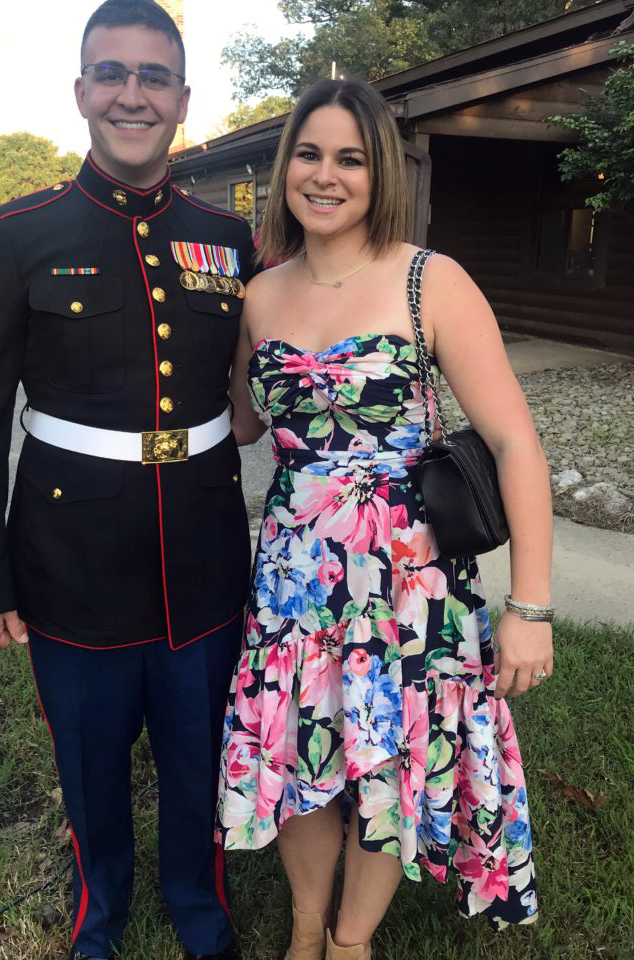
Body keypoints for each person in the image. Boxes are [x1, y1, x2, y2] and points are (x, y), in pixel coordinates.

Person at [0, 0, 255, 960]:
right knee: (89, 761)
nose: (132, 94)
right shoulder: (19, 235)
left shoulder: (229, 240)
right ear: (81, 91)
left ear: (183, 99)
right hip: (68, 555)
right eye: (111, 73)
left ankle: (201, 915)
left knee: (200, 755)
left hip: (201, 548)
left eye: (153, 76)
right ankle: (97, 918)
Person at [216, 79, 554, 960]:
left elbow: (515, 443)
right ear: (285, 164)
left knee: (390, 758)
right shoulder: (259, 296)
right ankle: (302, 932)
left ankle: (351, 940)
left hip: (410, 577)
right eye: (310, 153)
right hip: (295, 578)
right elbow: (246, 421)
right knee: (300, 754)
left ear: (379, 175)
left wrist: (531, 605)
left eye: (350, 159)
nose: (325, 176)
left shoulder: (427, 280)